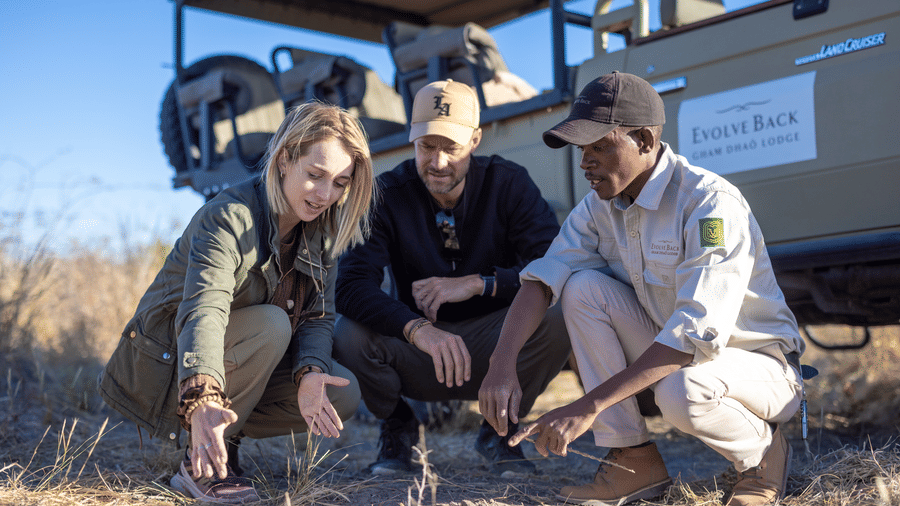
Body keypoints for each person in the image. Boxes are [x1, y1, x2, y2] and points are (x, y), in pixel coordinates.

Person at [479, 72, 805, 506]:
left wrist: (586, 406)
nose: (585, 162)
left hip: (760, 369)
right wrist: (501, 365)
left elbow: (692, 334)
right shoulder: (599, 206)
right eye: (582, 150)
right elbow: (543, 277)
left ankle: (762, 457)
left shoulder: (709, 204)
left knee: (681, 392)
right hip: (680, 357)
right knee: (581, 289)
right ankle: (633, 461)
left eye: (600, 146)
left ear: (646, 142)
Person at [99, 102, 376, 504]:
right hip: (171, 366)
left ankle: (226, 433)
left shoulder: (323, 231)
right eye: (315, 175)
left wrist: (311, 371)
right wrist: (203, 398)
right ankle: (201, 463)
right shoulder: (229, 216)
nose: (326, 194)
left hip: (235, 356)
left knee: (341, 390)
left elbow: (318, 316)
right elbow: (204, 310)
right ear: (284, 161)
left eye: (340, 182)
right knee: (273, 324)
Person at [334, 79, 571, 477]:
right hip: (421, 352)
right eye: (427, 146)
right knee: (348, 333)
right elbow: (351, 285)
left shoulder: (508, 183)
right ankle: (397, 425)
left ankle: (500, 428)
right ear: (412, 140)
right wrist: (416, 328)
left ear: (476, 140)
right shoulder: (386, 194)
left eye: (451, 147)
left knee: (563, 311)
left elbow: (554, 266)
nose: (438, 162)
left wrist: (481, 282)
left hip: (499, 348)